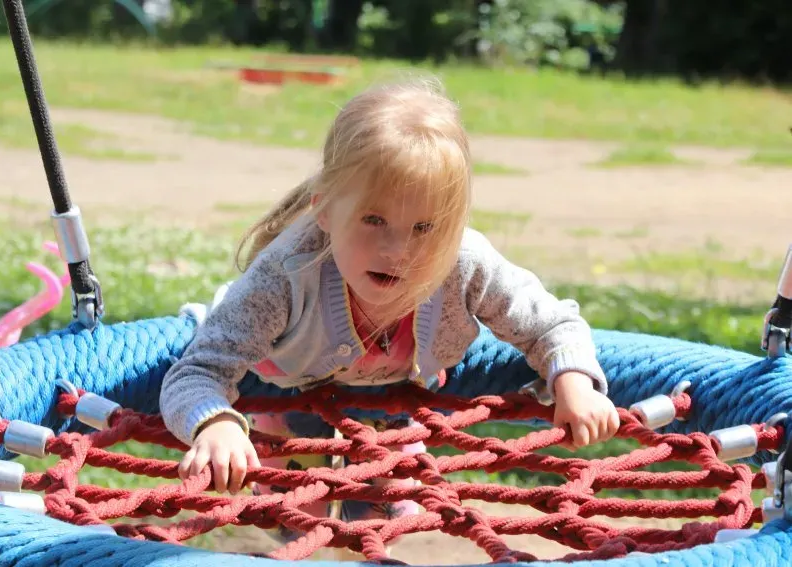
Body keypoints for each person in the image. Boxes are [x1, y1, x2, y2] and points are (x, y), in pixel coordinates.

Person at [159, 76, 620, 545]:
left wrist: (574, 383)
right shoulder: (286, 274)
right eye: (373, 220)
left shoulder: (466, 264)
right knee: (280, 521)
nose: (396, 249)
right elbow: (198, 370)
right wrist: (214, 423)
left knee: (383, 527)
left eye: (424, 227)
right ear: (324, 211)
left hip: (394, 397)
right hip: (281, 386)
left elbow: (553, 323)